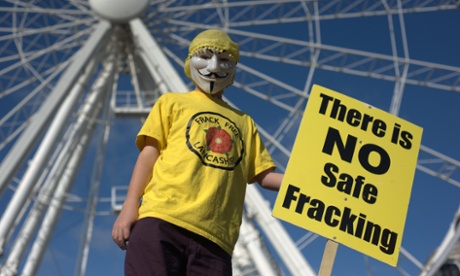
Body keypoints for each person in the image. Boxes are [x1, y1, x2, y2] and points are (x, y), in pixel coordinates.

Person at [112, 29, 283, 276]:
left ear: (233, 67)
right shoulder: (171, 102)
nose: (214, 66)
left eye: (224, 60)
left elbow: (264, 176)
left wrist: (310, 186)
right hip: (162, 218)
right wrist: (130, 207)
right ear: (190, 61)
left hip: (215, 238)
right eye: (205, 57)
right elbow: (149, 155)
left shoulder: (245, 123)